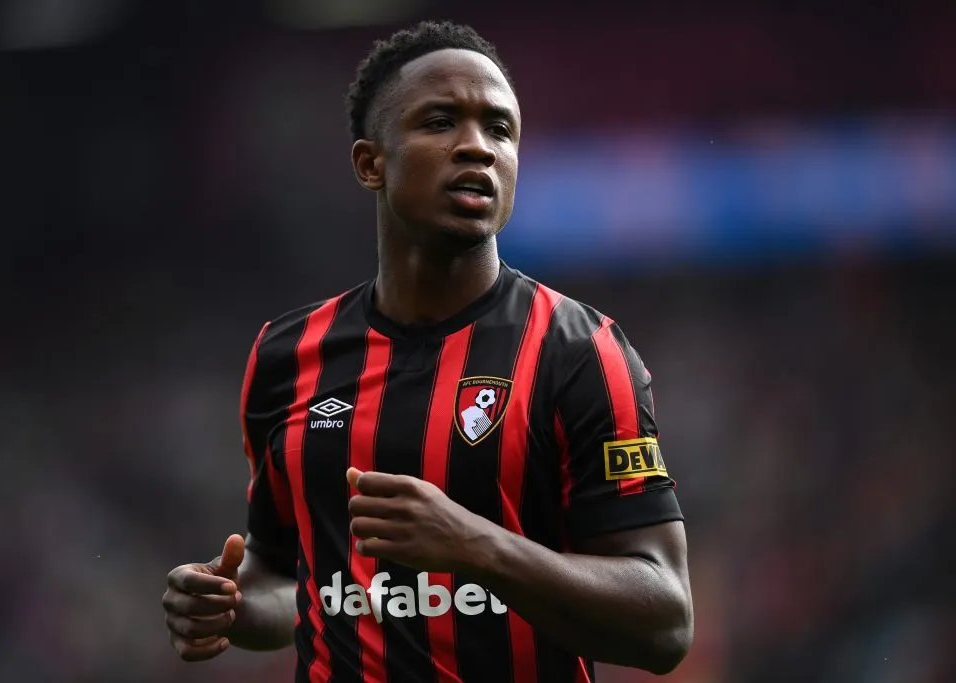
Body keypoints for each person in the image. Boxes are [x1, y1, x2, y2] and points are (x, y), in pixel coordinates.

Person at [162, 20, 693, 683]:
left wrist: (475, 545)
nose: (477, 146)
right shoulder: (286, 356)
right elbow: (285, 577)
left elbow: (664, 623)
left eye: (500, 130)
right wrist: (232, 606)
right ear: (370, 164)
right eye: (441, 122)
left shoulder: (580, 351)